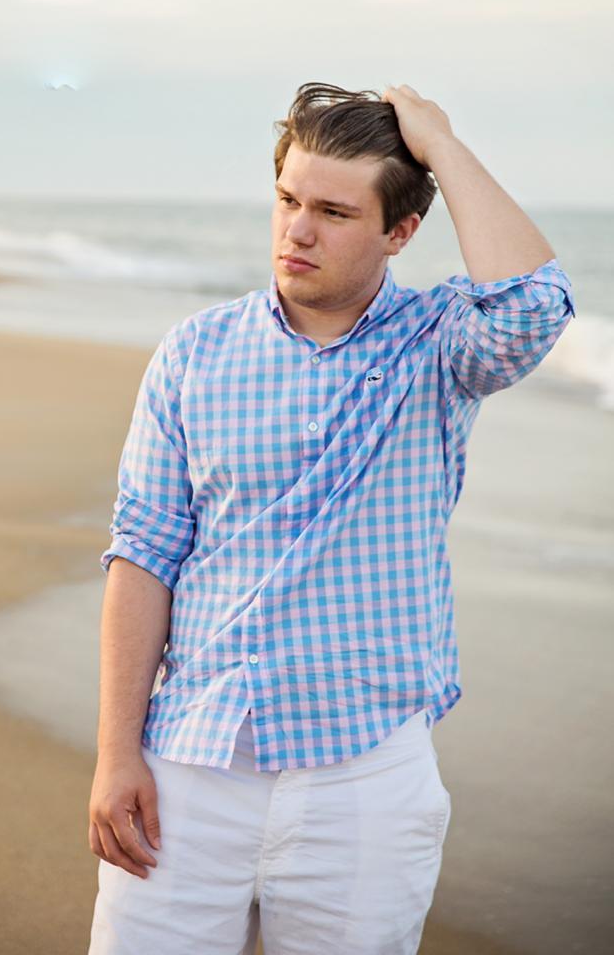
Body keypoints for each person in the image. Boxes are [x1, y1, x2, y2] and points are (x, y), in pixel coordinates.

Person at [86, 82, 576, 955]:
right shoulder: (194, 353)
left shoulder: (438, 346)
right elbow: (144, 555)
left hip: (365, 782)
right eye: (286, 200)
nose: (296, 230)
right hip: (192, 766)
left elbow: (533, 307)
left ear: (398, 232)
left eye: (333, 212)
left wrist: (440, 146)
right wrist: (116, 755)